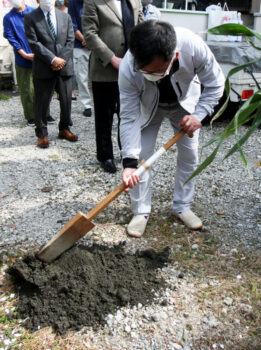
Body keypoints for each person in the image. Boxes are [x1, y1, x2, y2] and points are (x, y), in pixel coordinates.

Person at [119, 20, 225, 237]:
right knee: (141, 157)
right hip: (149, 107)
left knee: (189, 155)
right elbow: (128, 115)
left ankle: (182, 206)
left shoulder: (193, 47)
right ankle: (140, 211)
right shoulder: (129, 65)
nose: (150, 74)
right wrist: (129, 162)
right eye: (144, 70)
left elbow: (216, 84)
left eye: (157, 70)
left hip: (185, 104)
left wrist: (199, 115)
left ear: (173, 57)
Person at [82, 0, 144, 173]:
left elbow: (142, 27)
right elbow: (90, 34)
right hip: (105, 70)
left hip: (132, 69)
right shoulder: (94, 2)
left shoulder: (135, 1)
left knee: (129, 113)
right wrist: (112, 58)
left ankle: (127, 152)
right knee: (104, 116)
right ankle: (105, 156)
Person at [24, 0, 78, 149]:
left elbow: (70, 40)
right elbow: (33, 42)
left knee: (66, 100)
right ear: (37, 0)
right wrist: (52, 59)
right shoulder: (30, 17)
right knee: (42, 102)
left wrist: (61, 60)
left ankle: (64, 128)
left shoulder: (65, 17)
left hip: (65, 66)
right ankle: (42, 134)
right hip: (43, 66)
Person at [3, 0, 35, 126]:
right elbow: (11, 37)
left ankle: (45, 113)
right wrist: (24, 54)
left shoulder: (34, 12)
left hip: (39, 56)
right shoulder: (9, 17)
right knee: (26, 89)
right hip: (22, 58)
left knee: (42, 88)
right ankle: (31, 116)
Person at [68, 0, 93, 117]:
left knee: (100, 75)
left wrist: (93, 42)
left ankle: (102, 101)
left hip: (98, 44)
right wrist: (85, 40)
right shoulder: (73, 3)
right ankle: (87, 105)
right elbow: (72, 25)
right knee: (82, 76)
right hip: (80, 45)